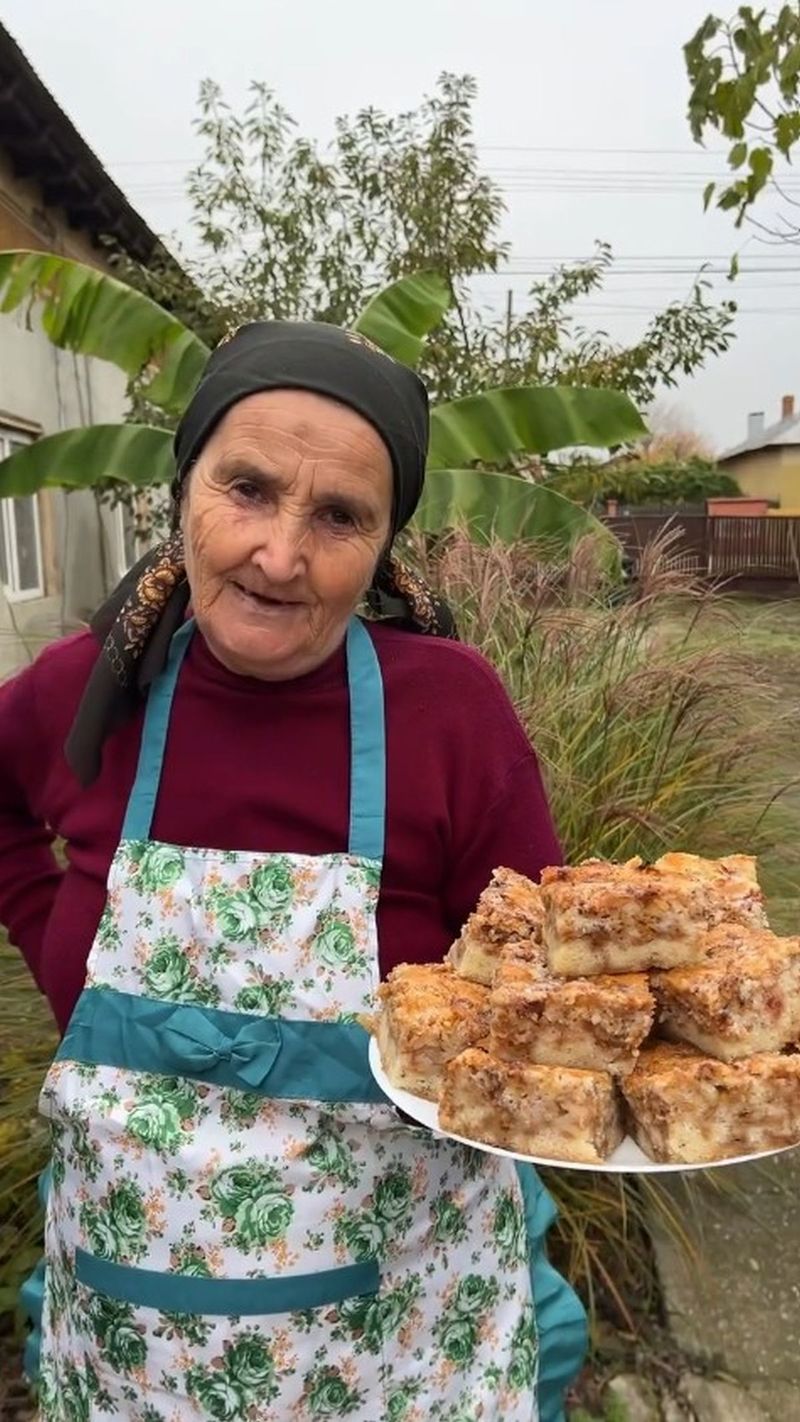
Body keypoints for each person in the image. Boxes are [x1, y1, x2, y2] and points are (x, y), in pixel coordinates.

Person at [0, 322, 587, 1421]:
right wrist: (54, 943)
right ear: (185, 489)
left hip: (399, 1346)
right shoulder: (93, 688)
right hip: (134, 1353)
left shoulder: (448, 712)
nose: (278, 555)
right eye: (248, 489)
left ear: (385, 545)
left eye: (338, 516)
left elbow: (539, 978)